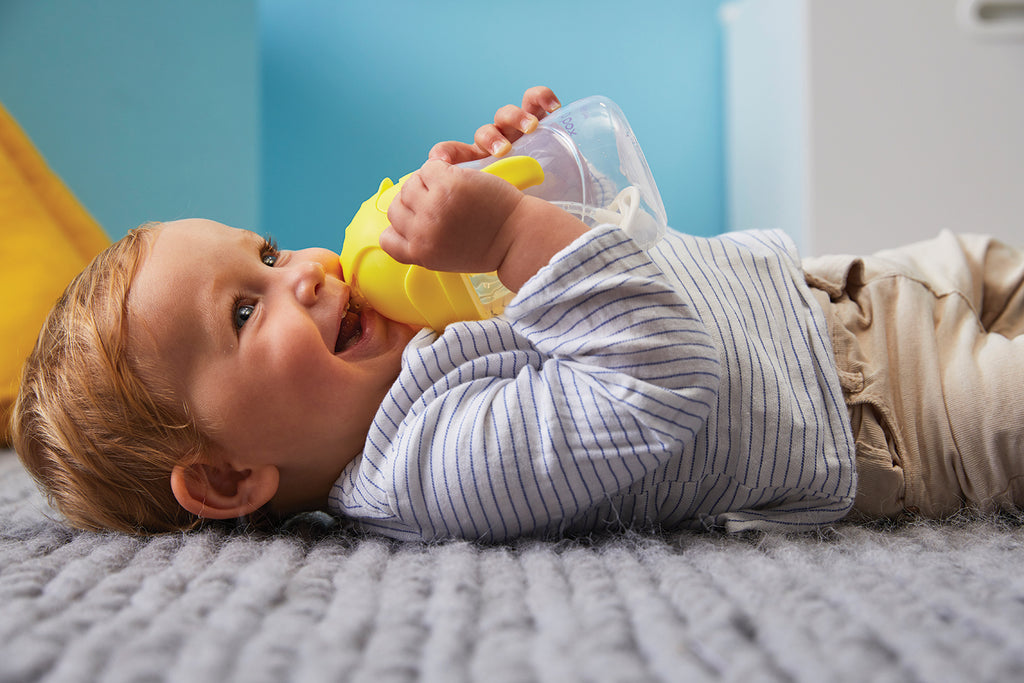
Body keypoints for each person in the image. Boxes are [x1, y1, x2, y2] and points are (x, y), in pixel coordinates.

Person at [12, 87, 1024, 540]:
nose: (310, 272)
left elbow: (596, 251)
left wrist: (514, 177)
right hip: (893, 412)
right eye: (244, 311)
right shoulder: (431, 467)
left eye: (270, 253)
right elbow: (654, 375)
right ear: (232, 475)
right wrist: (503, 235)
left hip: (843, 290)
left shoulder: (397, 352)